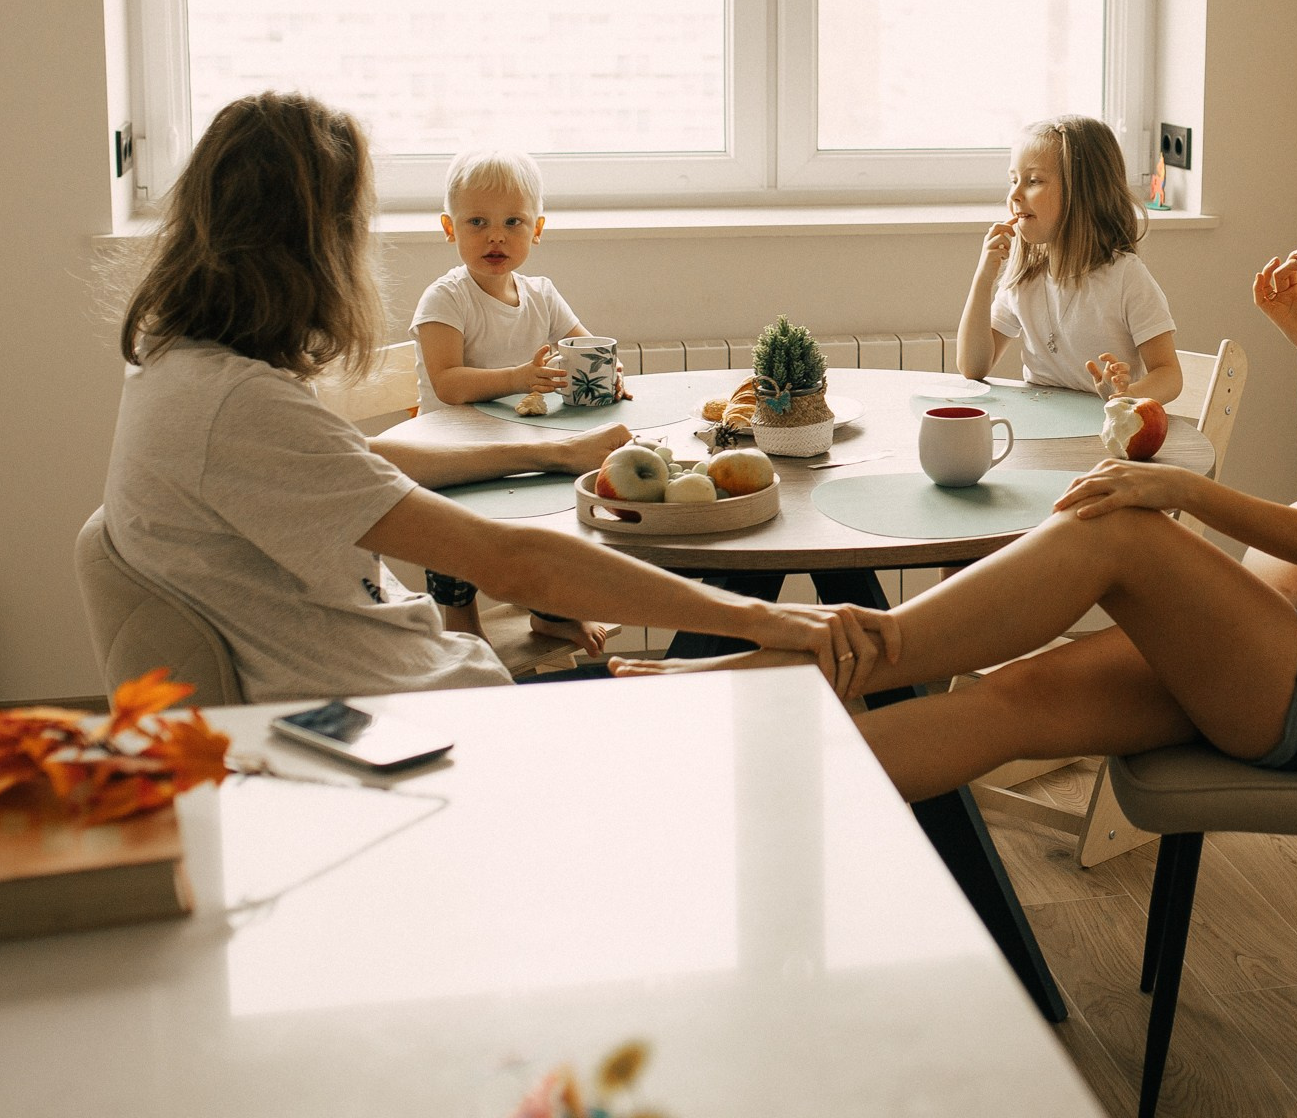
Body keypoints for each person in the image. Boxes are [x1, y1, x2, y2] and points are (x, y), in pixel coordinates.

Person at [621, 169, 1297, 804]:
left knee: (1123, 530)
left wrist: (1184, 495)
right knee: (1010, 701)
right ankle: (712, 775)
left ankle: (864, 649)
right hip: (1266, 650)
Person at [104, 92, 897, 705]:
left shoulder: (186, 372)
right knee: (794, 663)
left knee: (774, 650)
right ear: (313, 242)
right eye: (354, 224)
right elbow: (515, 562)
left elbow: (366, 463)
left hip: (398, 690)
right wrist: (764, 622)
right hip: (423, 718)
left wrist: (549, 448)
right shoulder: (240, 406)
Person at [410, 147, 624, 650]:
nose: (495, 236)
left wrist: (607, 371)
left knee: (553, 512)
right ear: (450, 228)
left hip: (518, 446)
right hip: (447, 450)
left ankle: (551, 611)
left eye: (513, 222)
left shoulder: (542, 294)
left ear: (537, 228)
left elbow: (583, 345)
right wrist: (520, 378)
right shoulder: (446, 297)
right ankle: (458, 617)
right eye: (477, 222)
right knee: (449, 527)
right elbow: (448, 384)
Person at [957, 116, 1184, 407]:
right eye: (1014, 180)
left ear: (1082, 193)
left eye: (1033, 181)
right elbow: (973, 367)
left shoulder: (1126, 278)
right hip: (1039, 438)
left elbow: (1169, 374)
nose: (1014, 194)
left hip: (1102, 438)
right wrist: (983, 278)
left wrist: (1126, 396)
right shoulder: (1024, 280)